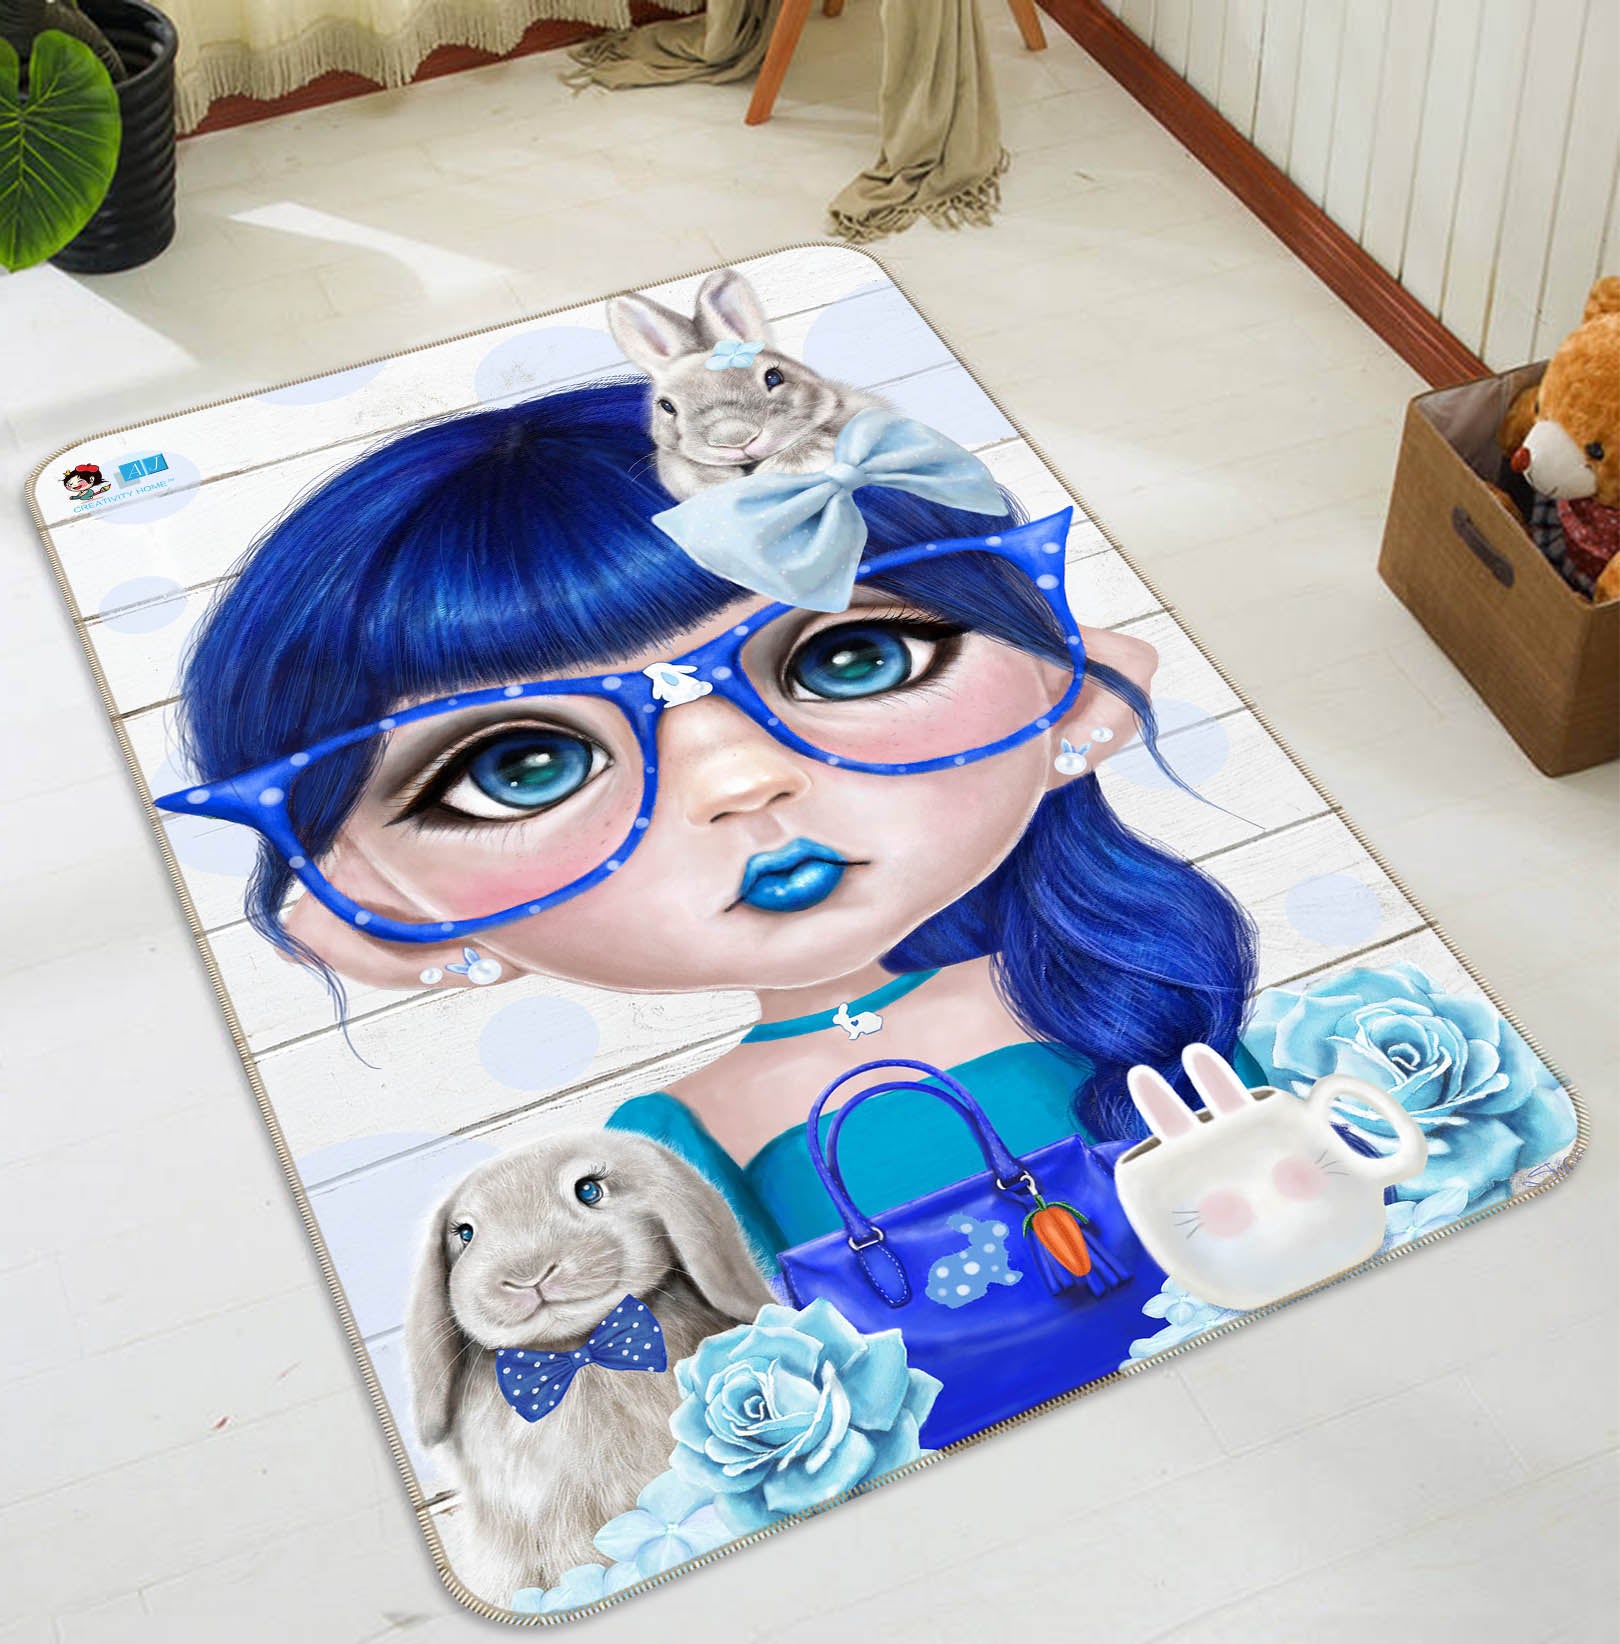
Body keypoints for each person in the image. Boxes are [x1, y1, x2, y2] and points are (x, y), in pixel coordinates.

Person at [167, 379, 1259, 1272]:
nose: (739, 779)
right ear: (371, 907)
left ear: (1080, 691)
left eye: (851, 656)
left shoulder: (1126, 980)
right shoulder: (672, 1142)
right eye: (522, 768)